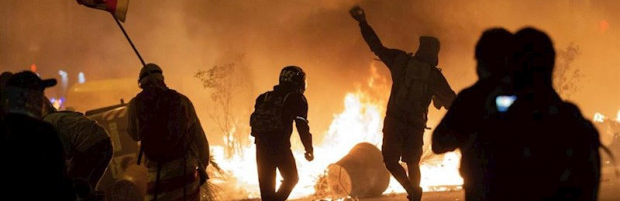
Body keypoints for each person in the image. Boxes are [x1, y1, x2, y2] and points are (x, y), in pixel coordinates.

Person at [349, 6, 456, 201]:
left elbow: (376, 46)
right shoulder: (435, 77)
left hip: (395, 121)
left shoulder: (401, 61)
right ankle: (416, 193)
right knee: (413, 163)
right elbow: (454, 103)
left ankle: (410, 189)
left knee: (390, 161)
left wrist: (362, 23)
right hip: (415, 125)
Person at [432, 28, 514, 200]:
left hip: (481, 191)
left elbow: (439, 143)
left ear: (480, 63)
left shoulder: (471, 99)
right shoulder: (536, 97)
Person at [127, 63, 210, 201]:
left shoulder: (135, 104)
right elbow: (198, 136)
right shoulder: (181, 100)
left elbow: (134, 135)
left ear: (141, 83)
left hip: (158, 175)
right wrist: (203, 165)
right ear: (162, 78)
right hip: (186, 170)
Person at [0, 71, 75, 200]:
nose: (43, 100)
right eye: (39, 94)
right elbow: (59, 181)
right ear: (28, 99)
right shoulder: (44, 132)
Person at [250, 66, 314, 201]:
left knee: (267, 192)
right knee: (291, 178)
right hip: (280, 147)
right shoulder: (296, 98)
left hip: (261, 147)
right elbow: (302, 126)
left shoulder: (264, 97)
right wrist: (309, 148)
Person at [43, 103, 113, 199]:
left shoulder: (49, 123)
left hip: (89, 146)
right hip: (105, 142)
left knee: (75, 187)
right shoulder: (60, 116)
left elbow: (64, 150)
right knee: (87, 186)